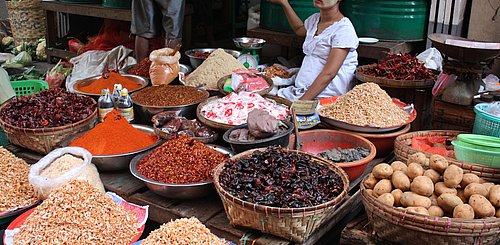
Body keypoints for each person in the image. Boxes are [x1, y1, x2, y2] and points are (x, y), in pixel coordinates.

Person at [270, 0, 359, 101]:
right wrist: (284, 3)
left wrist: (302, 103)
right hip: (302, 90)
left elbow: (329, 74)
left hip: (326, 96)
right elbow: (299, 29)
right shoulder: (315, 19)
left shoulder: (343, 29)